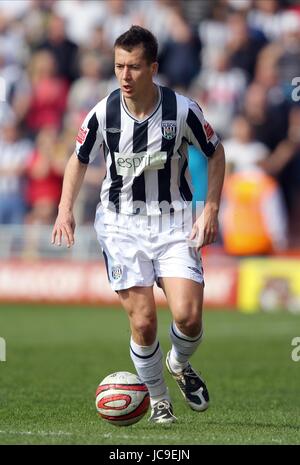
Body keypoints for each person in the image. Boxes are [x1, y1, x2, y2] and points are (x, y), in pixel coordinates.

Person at [52, 26, 225, 424]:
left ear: (153, 68)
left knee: (188, 317)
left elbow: (216, 154)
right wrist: (65, 210)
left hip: (175, 221)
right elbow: (78, 158)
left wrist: (211, 208)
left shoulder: (182, 110)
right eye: (118, 66)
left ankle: (178, 363)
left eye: (133, 67)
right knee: (144, 321)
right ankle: (158, 398)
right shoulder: (104, 112)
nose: (125, 76)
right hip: (121, 224)